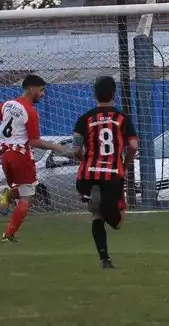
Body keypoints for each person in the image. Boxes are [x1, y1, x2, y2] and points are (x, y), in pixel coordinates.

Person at [0, 74, 67, 242]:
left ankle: (7, 195)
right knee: (27, 196)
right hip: (20, 156)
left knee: (20, 191)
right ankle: (8, 234)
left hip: (4, 156)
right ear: (31, 89)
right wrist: (55, 146)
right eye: (41, 90)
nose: (43, 94)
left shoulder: (7, 105)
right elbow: (34, 141)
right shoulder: (30, 112)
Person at [73, 76, 139, 269]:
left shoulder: (85, 118)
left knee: (97, 215)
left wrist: (84, 160)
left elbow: (76, 149)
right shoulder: (121, 118)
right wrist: (125, 164)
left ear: (94, 95)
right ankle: (100, 199)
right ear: (115, 95)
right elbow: (134, 145)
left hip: (87, 176)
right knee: (117, 223)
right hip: (112, 175)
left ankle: (104, 260)